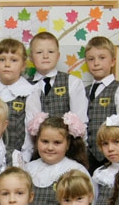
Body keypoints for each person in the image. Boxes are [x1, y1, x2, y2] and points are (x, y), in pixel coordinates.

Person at [24, 32, 88, 162]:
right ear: (31, 57)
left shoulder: (72, 82)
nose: (45, 56)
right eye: (39, 52)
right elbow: (26, 125)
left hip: (69, 154)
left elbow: (81, 122)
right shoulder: (24, 86)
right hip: (37, 155)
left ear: (58, 55)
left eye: (51, 52)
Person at [25, 114, 90, 205]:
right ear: (37, 141)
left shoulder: (76, 171)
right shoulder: (28, 169)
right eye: (45, 141)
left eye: (57, 143)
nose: (50, 147)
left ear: (67, 144)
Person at [0, 39, 35, 155]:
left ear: (23, 65)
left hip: (18, 154)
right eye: (2, 59)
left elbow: (30, 129)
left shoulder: (29, 91)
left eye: (14, 60)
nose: (7, 64)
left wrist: (25, 156)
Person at [84, 36, 119, 172]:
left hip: (111, 155)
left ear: (112, 62)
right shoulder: (83, 91)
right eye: (91, 59)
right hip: (87, 157)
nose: (96, 63)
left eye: (102, 58)